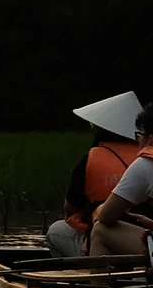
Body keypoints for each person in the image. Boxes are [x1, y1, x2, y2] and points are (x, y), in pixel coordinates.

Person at [53, 93, 148, 257]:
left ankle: (77, 276)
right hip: (143, 239)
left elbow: (70, 213)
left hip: (109, 239)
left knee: (55, 231)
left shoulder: (88, 161)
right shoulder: (146, 158)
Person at [88, 100, 153, 258]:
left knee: (100, 230)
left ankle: (103, 282)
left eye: (140, 135)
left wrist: (99, 209)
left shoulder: (146, 164)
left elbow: (106, 216)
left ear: (150, 138)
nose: (138, 140)